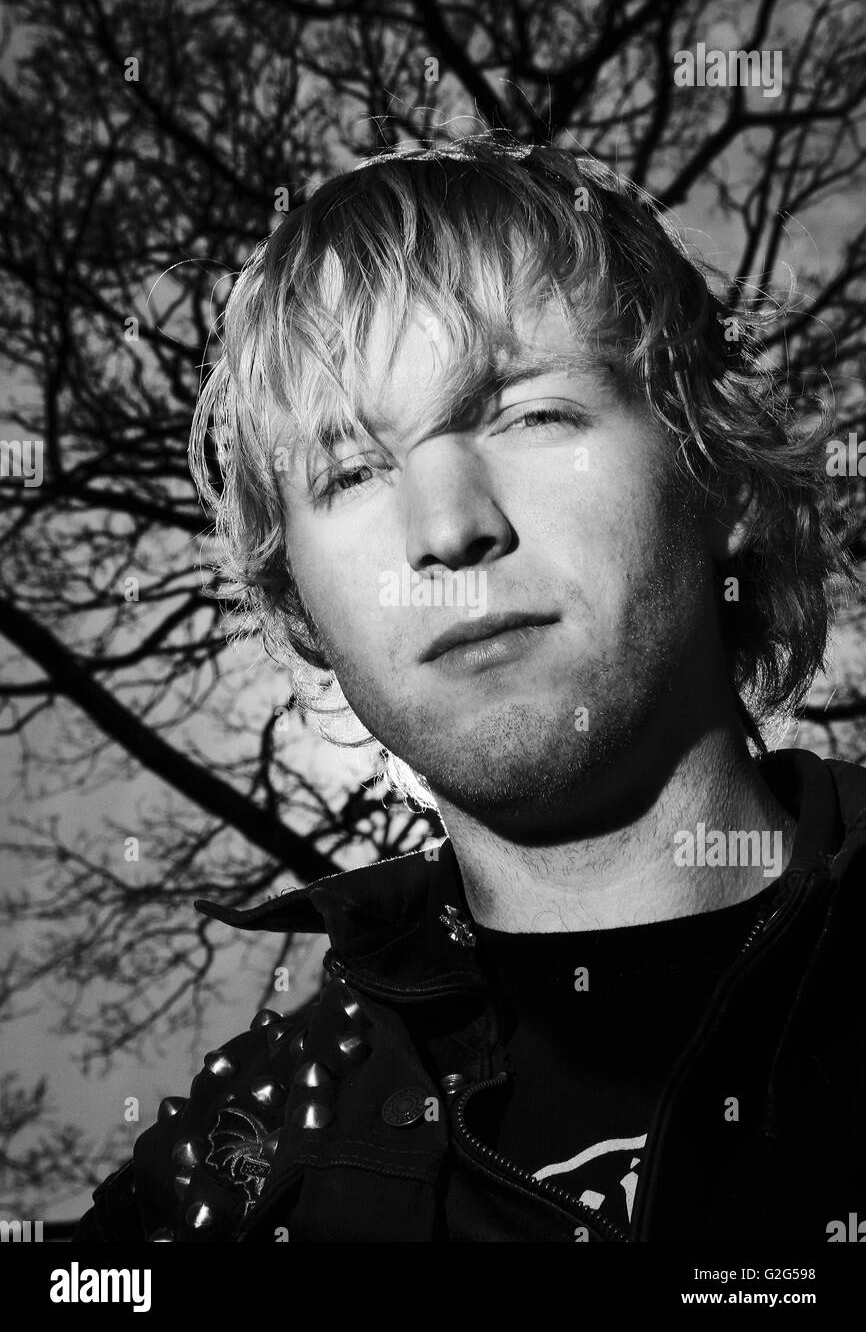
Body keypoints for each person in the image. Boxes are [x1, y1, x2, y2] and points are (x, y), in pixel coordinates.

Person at [75, 133, 864, 1243]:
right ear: (300, 607)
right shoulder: (243, 1172)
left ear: (717, 470)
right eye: (349, 472)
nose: (446, 528)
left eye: (529, 414)